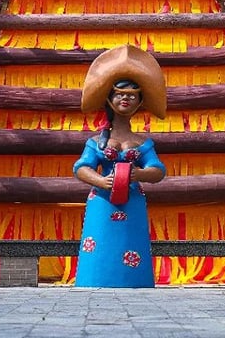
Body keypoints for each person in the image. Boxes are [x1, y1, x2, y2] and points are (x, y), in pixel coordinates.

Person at [73, 45, 167, 288]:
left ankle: (133, 280)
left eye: (132, 95)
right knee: (100, 240)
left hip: (132, 200)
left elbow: (158, 169)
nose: (126, 99)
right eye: (120, 94)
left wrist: (140, 173)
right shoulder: (96, 141)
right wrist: (100, 180)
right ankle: (96, 278)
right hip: (102, 200)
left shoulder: (142, 142)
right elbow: (81, 167)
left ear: (140, 101)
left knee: (131, 241)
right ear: (109, 98)